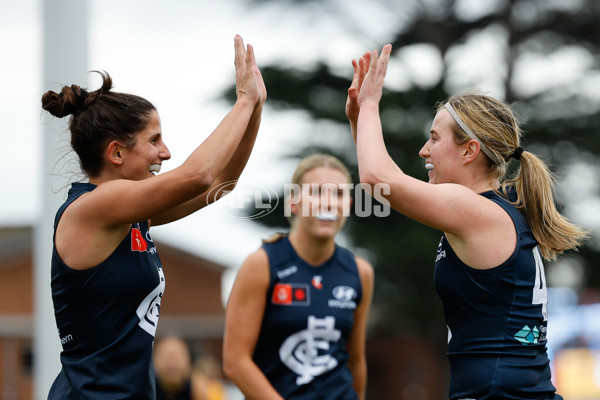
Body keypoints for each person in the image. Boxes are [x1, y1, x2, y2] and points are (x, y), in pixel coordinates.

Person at [345, 45, 589, 399]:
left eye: (434, 138)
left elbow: (377, 181)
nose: (423, 151)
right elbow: (384, 179)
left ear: (469, 150)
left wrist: (369, 107)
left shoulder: (473, 210)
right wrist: (360, 122)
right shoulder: (492, 210)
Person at [41, 34, 266, 399]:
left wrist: (255, 109)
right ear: (116, 153)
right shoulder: (96, 207)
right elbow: (199, 175)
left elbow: (221, 184)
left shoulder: (131, 216)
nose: (166, 152)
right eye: (154, 140)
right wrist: (243, 101)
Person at [222, 154, 374, 400]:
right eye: (316, 192)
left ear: (349, 204)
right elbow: (235, 363)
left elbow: (356, 361)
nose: (328, 203)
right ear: (293, 202)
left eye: (338, 194)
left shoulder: (360, 272)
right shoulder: (261, 264)